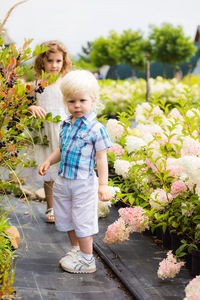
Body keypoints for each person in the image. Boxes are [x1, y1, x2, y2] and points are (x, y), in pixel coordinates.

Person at [39, 70, 113, 273]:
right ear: (65, 101)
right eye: (72, 101)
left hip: (82, 183)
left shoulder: (96, 129)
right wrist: (48, 160)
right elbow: (61, 150)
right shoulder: (66, 124)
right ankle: (76, 250)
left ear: (93, 100)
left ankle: (88, 259)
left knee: (82, 220)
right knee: (65, 217)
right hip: (64, 180)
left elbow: (101, 158)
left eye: (82, 100)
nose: (77, 105)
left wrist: (103, 185)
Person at [29, 40, 72, 223]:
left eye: (58, 61)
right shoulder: (36, 85)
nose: (54, 65)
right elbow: (27, 103)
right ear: (42, 62)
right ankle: (50, 207)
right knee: (49, 172)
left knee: (67, 169)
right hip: (45, 132)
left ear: (64, 62)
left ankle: (69, 207)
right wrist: (32, 108)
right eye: (50, 61)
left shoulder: (66, 83)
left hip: (63, 129)